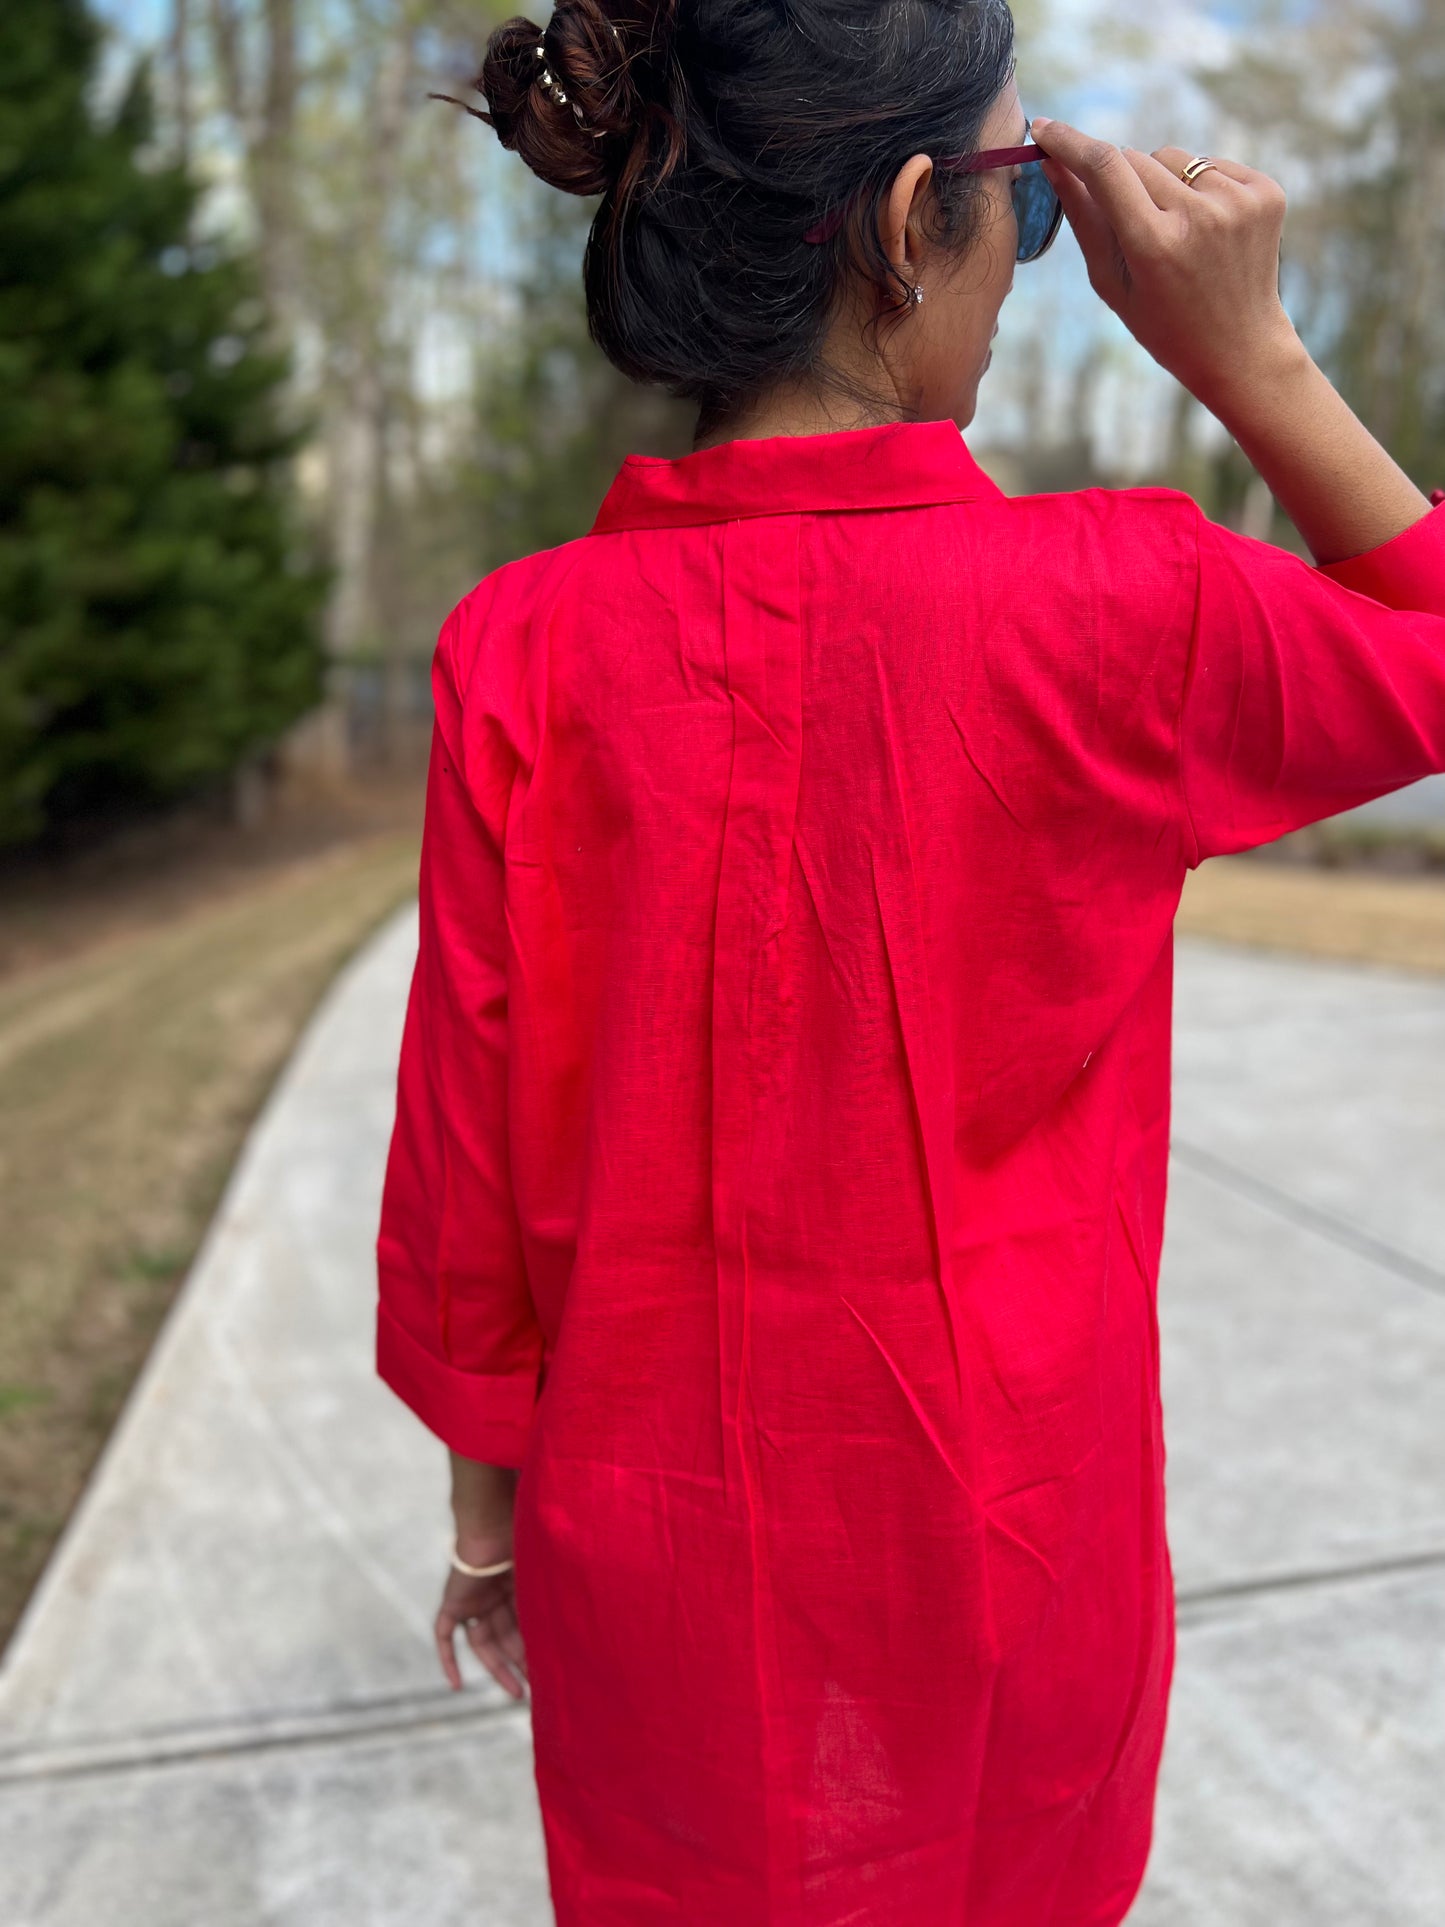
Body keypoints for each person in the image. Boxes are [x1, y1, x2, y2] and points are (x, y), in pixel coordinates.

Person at [373, 0, 1445, 1918]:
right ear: (903, 224)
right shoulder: (1127, 605)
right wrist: (1253, 352)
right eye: (1027, 213)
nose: (1033, 268)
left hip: (649, 1556)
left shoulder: (517, 649)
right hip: (1009, 1544)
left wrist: (485, 1521)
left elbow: (472, 1157)